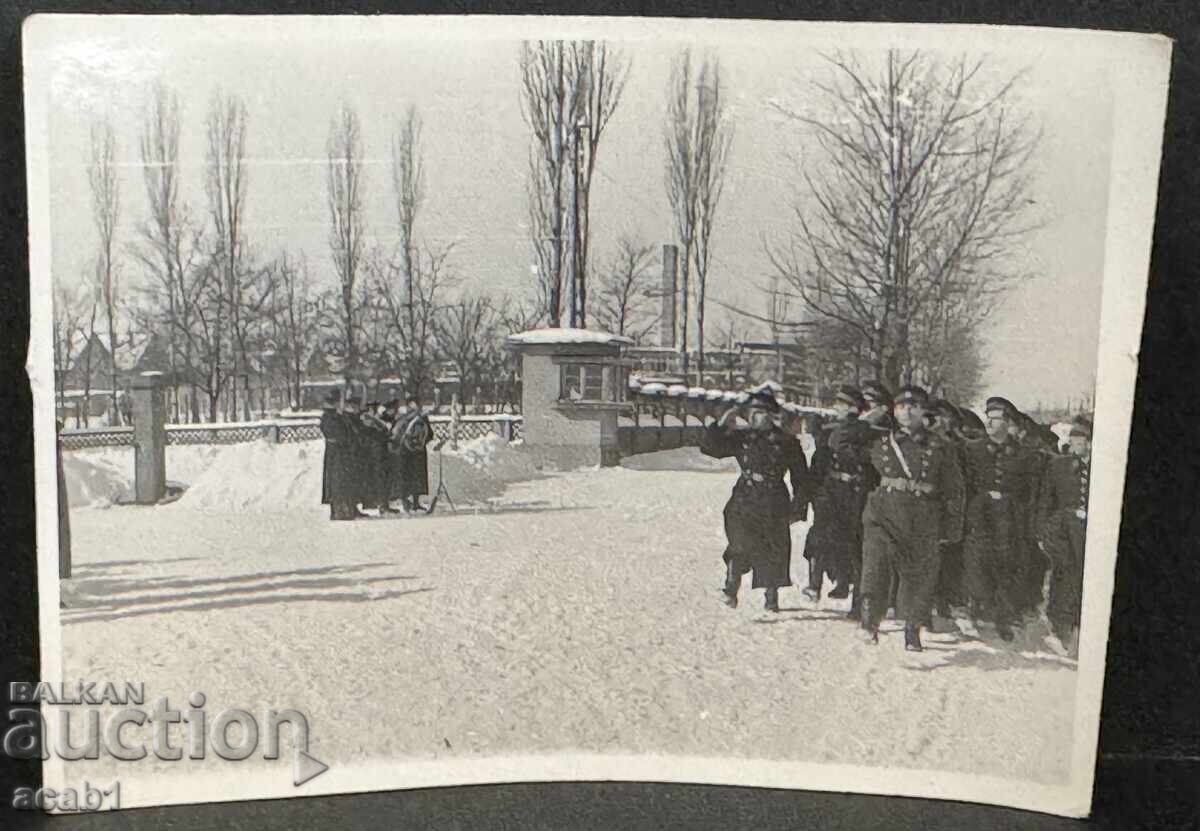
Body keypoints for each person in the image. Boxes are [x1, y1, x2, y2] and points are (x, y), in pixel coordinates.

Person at [858, 385, 964, 651]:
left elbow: (954, 487)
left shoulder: (941, 446)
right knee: (876, 564)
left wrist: (952, 527)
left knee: (920, 574)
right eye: (901, 406)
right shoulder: (880, 440)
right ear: (894, 411)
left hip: (922, 515)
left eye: (913, 406)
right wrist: (867, 418)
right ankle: (870, 619)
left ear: (922, 411)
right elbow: (839, 441)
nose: (907, 411)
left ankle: (912, 628)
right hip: (883, 512)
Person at [701, 383, 809, 613]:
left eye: (759, 413)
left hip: (774, 499)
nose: (754, 417)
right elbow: (711, 449)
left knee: (773, 548)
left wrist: (798, 507)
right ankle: (731, 588)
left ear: (771, 415)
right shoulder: (743, 437)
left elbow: (801, 477)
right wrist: (720, 425)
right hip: (745, 497)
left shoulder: (787, 442)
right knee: (739, 542)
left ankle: (771, 596)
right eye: (751, 413)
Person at [960, 397, 1042, 641]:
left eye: (996, 419)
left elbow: (1030, 490)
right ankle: (973, 609)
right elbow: (965, 483)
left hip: (1010, 515)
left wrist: (1025, 518)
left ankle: (1003, 618)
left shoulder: (1024, 454)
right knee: (976, 562)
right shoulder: (972, 449)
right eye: (989, 417)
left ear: (1008, 423)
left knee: (1007, 565)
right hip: (980, 513)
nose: (990, 422)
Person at [804, 385, 872, 604]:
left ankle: (856, 600)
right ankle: (815, 585)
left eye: (842, 405)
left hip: (856, 493)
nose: (836, 408)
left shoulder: (866, 431)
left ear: (854, 408)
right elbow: (820, 461)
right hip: (831, 491)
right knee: (820, 537)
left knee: (854, 544)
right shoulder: (830, 430)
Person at [1037, 415, 1092, 656]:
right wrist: (1042, 530)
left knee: (1084, 576)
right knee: (1065, 571)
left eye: (1082, 438)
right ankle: (1059, 626)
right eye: (1075, 438)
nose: (1076, 442)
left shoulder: (1106, 466)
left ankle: (1079, 628)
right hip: (1061, 529)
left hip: (1090, 530)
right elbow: (1046, 499)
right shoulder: (1058, 465)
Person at [319, 389, 356, 521]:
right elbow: (338, 433)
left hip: (338, 453)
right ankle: (338, 510)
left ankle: (343, 509)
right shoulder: (330, 417)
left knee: (340, 481)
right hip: (337, 452)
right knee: (337, 481)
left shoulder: (335, 416)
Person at [393, 396, 434, 513]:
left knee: (417, 479)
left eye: (415, 405)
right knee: (407, 477)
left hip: (417, 453)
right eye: (410, 405)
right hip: (406, 453)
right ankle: (405, 501)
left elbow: (430, 434)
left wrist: (420, 442)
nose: (413, 407)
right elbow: (397, 434)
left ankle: (416, 503)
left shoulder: (422, 418)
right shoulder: (402, 419)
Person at [361, 401, 396, 515]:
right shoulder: (368, 421)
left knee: (385, 479)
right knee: (379, 479)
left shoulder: (377, 421)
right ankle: (381, 505)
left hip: (383, 452)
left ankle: (384, 504)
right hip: (375, 454)